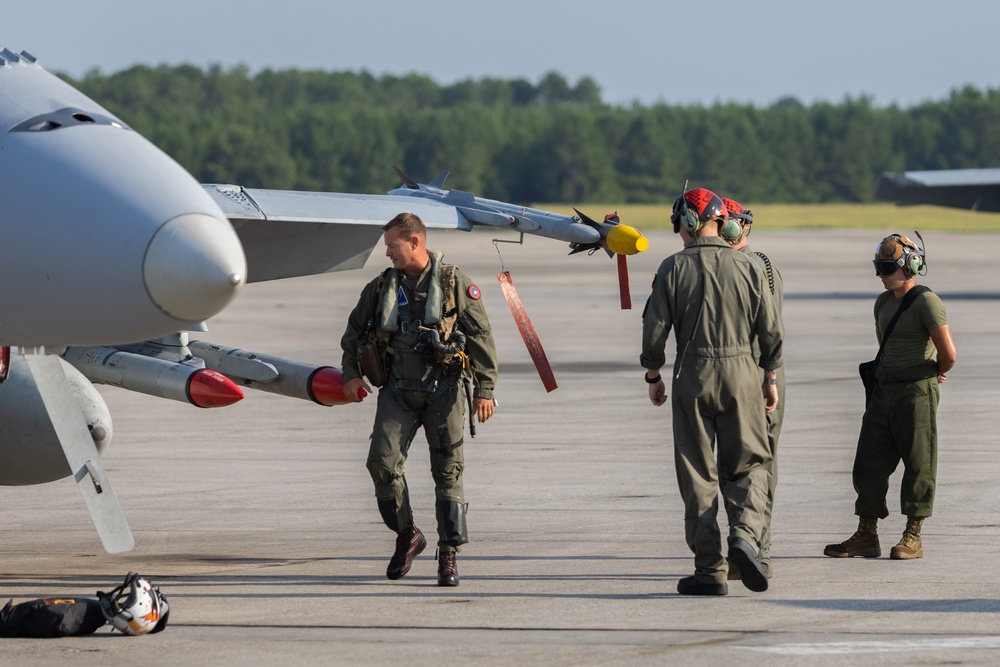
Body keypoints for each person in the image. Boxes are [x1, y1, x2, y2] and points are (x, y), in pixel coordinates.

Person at [341, 212, 498, 586]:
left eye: (392, 246)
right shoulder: (380, 288)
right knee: (381, 464)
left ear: (415, 242)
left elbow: (481, 337)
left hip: (444, 392)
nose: (388, 254)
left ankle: (449, 555)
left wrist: (485, 390)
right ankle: (407, 534)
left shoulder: (454, 282)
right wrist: (351, 375)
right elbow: (352, 334)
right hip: (398, 391)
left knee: (447, 473)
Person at [641, 187, 783, 596]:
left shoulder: (671, 268)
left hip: (692, 374)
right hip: (743, 373)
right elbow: (771, 331)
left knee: (698, 475)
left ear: (688, 221)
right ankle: (745, 536)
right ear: (723, 221)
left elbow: (655, 330)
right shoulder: (750, 267)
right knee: (751, 466)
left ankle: (710, 571)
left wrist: (654, 374)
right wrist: (769, 376)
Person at [824, 233, 956, 560]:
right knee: (868, 463)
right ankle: (866, 535)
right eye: (878, 267)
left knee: (918, 463)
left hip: (915, 393)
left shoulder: (927, 302)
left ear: (910, 266)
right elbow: (885, 345)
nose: (881, 275)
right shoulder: (882, 303)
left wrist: (930, 371)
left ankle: (913, 535)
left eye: (886, 267)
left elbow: (948, 354)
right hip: (883, 391)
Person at [720, 198, 785, 581]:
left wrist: (768, 376)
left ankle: (760, 551)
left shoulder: (757, 264)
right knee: (731, 467)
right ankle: (741, 546)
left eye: (728, 222)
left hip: (760, 374)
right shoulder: (726, 263)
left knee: (760, 465)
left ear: (741, 226)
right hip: (737, 374)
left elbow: (770, 328)